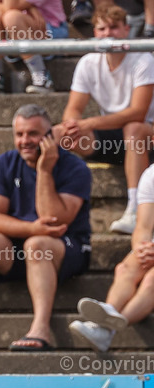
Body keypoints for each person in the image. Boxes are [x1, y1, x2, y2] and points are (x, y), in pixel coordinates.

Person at [0, 105, 92, 351]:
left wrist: (44, 170)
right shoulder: (5, 163)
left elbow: (54, 218)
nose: (25, 141)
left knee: (37, 245)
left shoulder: (74, 167)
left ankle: (41, 329)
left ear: (50, 136)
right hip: (24, 245)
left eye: (33, 134)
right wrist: (32, 228)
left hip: (68, 248)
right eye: (19, 134)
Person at [53, 5, 154, 236]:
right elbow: (73, 109)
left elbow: (138, 112)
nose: (108, 33)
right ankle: (53, 205)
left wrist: (88, 123)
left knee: (135, 129)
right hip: (112, 136)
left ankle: (135, 209)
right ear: (94, 32)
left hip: (146, 136)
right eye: (102, 28)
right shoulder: (88, 62)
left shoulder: (143, 58)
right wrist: (72, 124)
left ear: (127, 29)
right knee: (57, 134)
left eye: (114, 27)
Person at [70, 163, 154, 351]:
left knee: (151, 280)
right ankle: (107, 323)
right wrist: (142, 249)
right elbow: (142, 227)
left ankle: (106, 330)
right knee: (124, 268)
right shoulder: (151, 175)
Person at [0, 0, 68, 95]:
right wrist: (31, 8)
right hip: (18, 32)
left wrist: (18, 8)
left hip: (51, 30)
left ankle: (42, 75)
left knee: (12, 17)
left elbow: (11, 6)